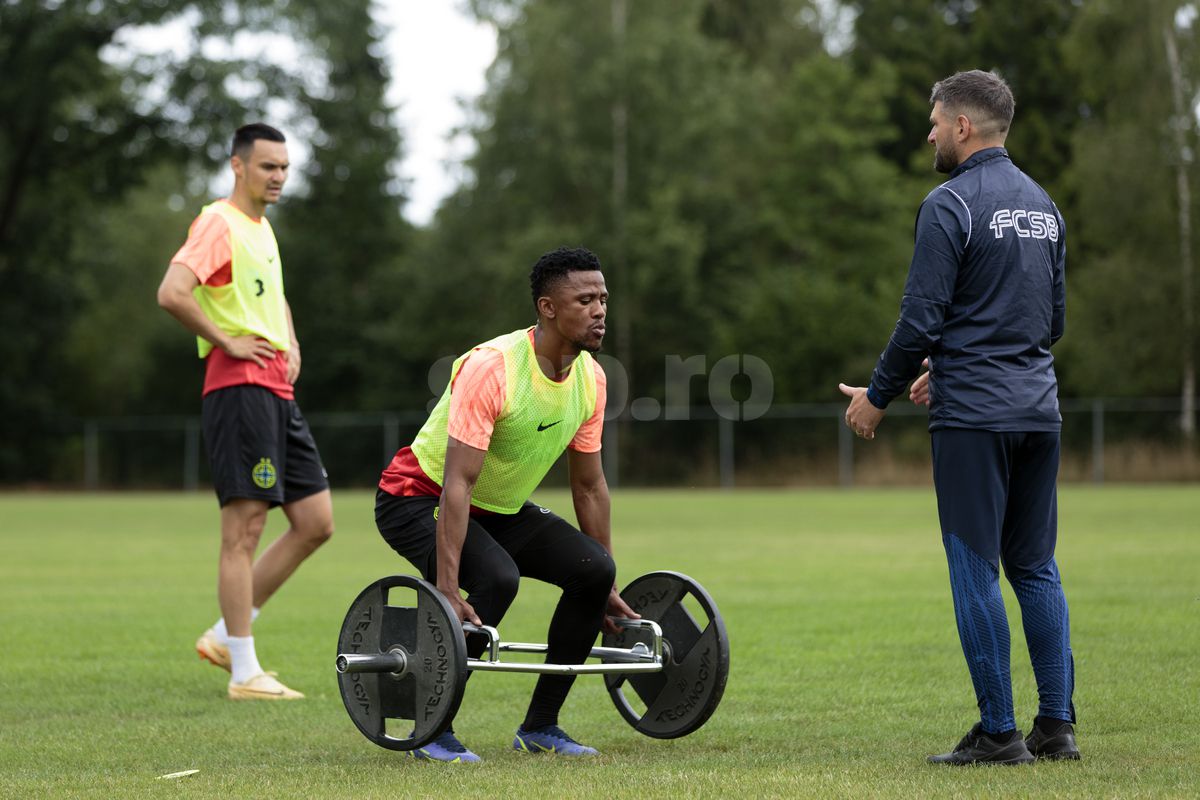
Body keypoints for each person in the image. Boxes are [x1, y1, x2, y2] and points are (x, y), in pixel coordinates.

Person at [838, 70, 1078, 765]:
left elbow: (920, 319)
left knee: (974, 568)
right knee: (1035, 566)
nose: (931, 133)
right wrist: (947, 367)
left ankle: (1000, 734)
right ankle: (1056, 728)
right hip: (1040, 411)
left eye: (937, 121)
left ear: (964, 127)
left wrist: (877, 395)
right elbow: (1048, 322)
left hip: (975, 420)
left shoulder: (949, 204)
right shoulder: (1046, 206)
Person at [375, 246, 639, 763]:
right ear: (547, 308)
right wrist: (447, 590)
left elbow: (588, 487)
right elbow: (457, 483)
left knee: (593, 569)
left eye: (603, 299)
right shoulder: (492, 368)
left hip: (496, 507)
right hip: (415, 497)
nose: (600, 310)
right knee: (497, 578)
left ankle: (541, 726)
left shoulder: (592, 380)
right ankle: (431, 730)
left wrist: (606, 587)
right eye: (584, 300)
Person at [157, 123, 334, 701]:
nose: (279, 176)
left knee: (315, 523)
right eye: (267, 166)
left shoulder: (262, 230)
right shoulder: (218, 222)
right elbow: (173, 291)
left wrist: (292, 339)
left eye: (284, 166)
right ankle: (243, 672)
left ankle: (222, 636)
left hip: (277, 393)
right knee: (245, 530)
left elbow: (272, 294)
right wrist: (227, 340)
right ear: (238, 166)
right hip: (239, 391)